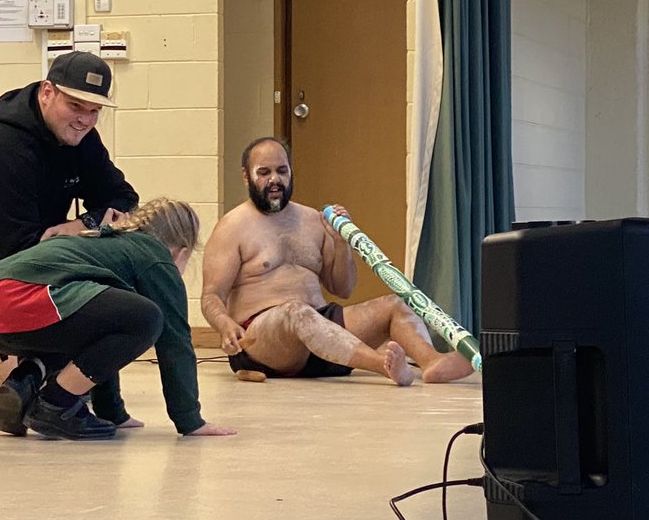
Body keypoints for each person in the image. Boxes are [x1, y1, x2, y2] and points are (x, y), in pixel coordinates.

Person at [0, 51, 139, 397]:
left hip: (26, 266)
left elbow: (123, 198)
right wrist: (81, 232)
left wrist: (79, 225)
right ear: (47, 92)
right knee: (18, 389)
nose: (85, 119)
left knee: (71, 378)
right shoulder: (2, 148)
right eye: (75, 105)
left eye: (95, 110)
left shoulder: (81, 138)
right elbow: (19, 250)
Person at [200, 137, 474, 385]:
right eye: (264, 172)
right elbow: (211, 295)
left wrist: (339, 243)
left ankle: (431, 362)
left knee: (395, 304)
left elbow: (342, 288)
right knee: (296, 312)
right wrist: (224, 324)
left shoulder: (312, 220)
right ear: (246, 177)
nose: (275, 180)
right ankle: (383, 365)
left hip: (323, 332)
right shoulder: (232, 227)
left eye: (282, 171)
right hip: (264, 341)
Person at [0, 198, 235, 441]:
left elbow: (103, 334)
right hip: (25, 297)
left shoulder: (103, 242)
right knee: (148, 317)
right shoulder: (155, 256)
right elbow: (174, 339)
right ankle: (56, 403)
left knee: (105, 319)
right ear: (182, 251)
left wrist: (113, 413)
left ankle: (24, 381)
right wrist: (190, 420)